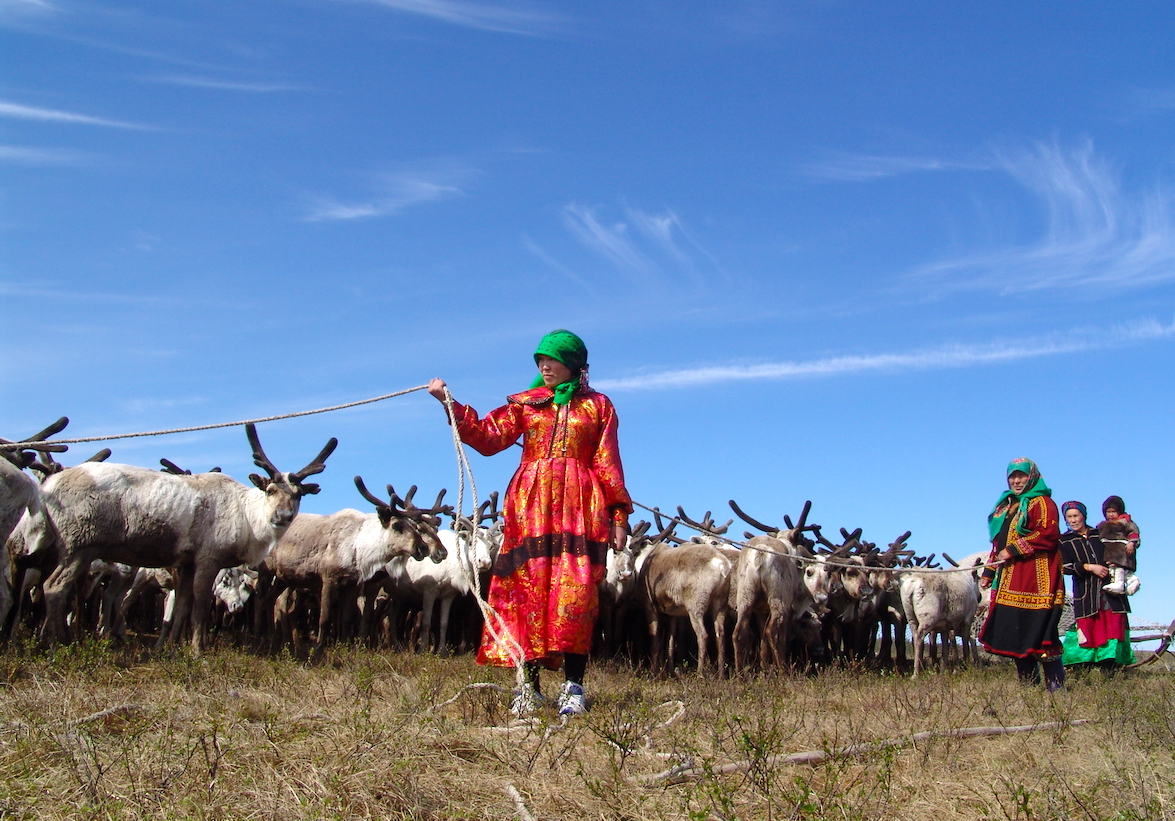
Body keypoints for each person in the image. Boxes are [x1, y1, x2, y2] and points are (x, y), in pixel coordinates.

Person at [427, 330, 632, 717]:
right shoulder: (527, 404)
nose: (544, 366)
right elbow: (488, 438)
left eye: (551, 359)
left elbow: (608, 461)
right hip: (530, 506)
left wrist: (618, 515)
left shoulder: (599, 407)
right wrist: (449, 403)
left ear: (572, 363)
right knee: (527, 592)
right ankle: (529, 686)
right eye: (540, 360)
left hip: (580, 506)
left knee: (576, 594)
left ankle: (573, 687)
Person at [979, 458, 1065, 691]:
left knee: (1041, 633)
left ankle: (1056, 689)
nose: (1016, 481)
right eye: (1012, 477)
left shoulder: (1043, 502)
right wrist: (989, 571)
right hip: (1010, 580)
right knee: (1016, 634)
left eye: (1021, 476)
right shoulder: (1007, 506)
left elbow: (1048, 534)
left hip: (1038, 579)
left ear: (1032, 477)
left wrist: (1014, 549)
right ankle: (1029, 689)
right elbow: (998, 544)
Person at [1058, 501, 1135, 669]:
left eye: (1076, 516)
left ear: (1083, 516)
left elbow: (1123, 542)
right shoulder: (1064, 541)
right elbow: (1064, 566)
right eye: (1069, 517)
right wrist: (1089, 567)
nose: (1073, 520)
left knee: (1113, 629)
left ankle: (1111, 670)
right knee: (1087, 629)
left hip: (1110, 592)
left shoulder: (1100, 533)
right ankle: (1081, 670)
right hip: (1086, 593)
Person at [1098, 495, 1140, 596]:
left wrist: (1132, 543)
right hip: (1110, 551)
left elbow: (1134, 532)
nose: (1111, 515)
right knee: (1115, 569)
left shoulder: (1125, 522)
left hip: (1120, 551)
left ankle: (1119, 583)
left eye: (1113, 512)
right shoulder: (1104, 525)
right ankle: (1133, 581)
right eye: (1108, 512)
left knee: (1118, 567)